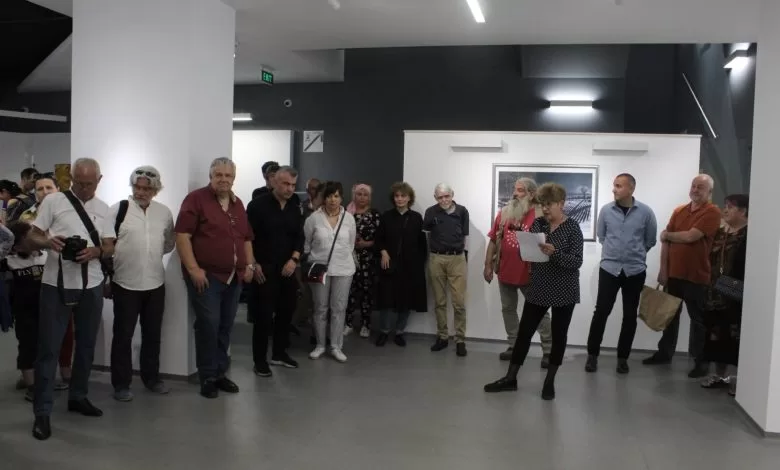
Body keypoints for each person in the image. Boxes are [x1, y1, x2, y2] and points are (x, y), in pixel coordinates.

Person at [24, 158, 115, 440]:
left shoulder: (105, 209)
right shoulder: (53, 202)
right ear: (71, 178)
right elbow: (32, 237)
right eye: (79, 183)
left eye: (89, 184)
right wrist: (48, 242)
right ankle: (42, 412)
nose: (84, 188)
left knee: (86, 345)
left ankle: (78, 396)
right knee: (49, 348)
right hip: (56, 284)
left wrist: (96, 252)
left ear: (99, 180)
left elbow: (110, 245)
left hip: (92, 284)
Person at [484, 183, 584, 400]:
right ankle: (510, 378)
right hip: (539, 285)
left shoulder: (573, 227)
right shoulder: (539, 223)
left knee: (559, 336)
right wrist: (525, 249)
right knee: (524, 333)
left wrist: (554, 253)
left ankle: (549, 382)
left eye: (549, 205)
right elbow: (529, 253)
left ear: (561, 204)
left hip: (564, 289)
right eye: (543, 205)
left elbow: (576, 262)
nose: (545, 209)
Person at [175, 157, 256, 399]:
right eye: (218, 175)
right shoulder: (196, 200)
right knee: (208, 326)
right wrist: (193, 269)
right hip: (207, 277)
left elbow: (246, 238)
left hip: (234, 277)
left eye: (228, 175)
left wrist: (250, 264)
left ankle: (220, 373)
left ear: (234, 178)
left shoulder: (238, 204)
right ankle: (208, 376)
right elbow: (182, 236)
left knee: (225, 326)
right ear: (210, 177)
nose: (223, 179)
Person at [107, 166, 175, 402]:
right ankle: (121, 384)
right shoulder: (118, 210)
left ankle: (152, 378)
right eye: (137, 187)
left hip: (155, 283)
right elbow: (107, 245)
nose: (141, 192)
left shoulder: (164, 213)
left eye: (147, 189)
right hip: (124, 283)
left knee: (153, 335)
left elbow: (169, 243)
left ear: (156, 190)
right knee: (122, 336)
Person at [643, 174, 722, 378]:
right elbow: (665, 243)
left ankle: (701, 361)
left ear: (709, 192)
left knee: (698, 321)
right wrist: (663, 269)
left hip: (697, 276)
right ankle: (664, 353)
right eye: (693, 186)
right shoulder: (679, 211)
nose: (695, 190)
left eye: (700, 187)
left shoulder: (712, 212)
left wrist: (668, 235)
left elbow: (690, 236)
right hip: (674, 275)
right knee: (670, 316)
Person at [585, 174, 657, 374]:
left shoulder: (646, 212)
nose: (614, 189)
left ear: (631, 189)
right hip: (609, 269)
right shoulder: (606, 211)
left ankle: (623, 358)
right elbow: (602, 236)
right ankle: (592, 355)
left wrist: (634, 254)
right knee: (601, 312)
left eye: (618, 186)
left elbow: (650, 240)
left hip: (635, 271)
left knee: (630, 316)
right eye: (614, 185)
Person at [485, 177, 552, 364]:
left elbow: (549, 243)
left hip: (531, 274)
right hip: (505, 270)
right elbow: (493, 239)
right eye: (515, 189)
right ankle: (514, 346)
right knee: (508, 309)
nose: (515, 194)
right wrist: (487, 264)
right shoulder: (505, 213)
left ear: (532, 194)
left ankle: (549, 350)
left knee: (539, 312)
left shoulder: (541, 214)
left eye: (520, 190)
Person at [246, 166, 304, 376]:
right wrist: (253, 263)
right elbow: (247, 238)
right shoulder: (257, 206)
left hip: (287, 269)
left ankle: (279, 354)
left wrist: (294, 259)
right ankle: (260, 361)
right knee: (263, 317)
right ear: (274, 182)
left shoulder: (294, 207)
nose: (290, 189)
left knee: (286, 312)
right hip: (264, 269)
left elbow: (299, 237)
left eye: (293, 185)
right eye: (286, 184)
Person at [18, 174, 74, 392]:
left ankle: (65, 371)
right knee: (31, 331)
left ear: (58, 189)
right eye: (40, 189)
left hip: (62, 276)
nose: (44, 192)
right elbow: (20, 247)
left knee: (65, 329)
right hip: (32, 279)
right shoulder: (26, 217)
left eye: (49, 187)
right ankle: (33, 377)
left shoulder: (67, 213)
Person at [700, 194, 748, 396]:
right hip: (715, 293)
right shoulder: (720, 232)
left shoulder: (749, 235)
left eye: (731, 207)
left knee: (736, 336)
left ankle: (738, 379)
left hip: (737, 294)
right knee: (716, 334)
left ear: (743, 211)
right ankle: (719, 375)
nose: (725, 210)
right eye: (725, 205)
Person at [304, 181, 356, 362]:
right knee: (320, 308)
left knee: (339, 308)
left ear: (341, 198)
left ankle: (336, 346)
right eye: (329, 196)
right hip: (319, 268)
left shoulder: (349, 218)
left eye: (336, 196)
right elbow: (307, 245)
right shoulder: (313, 219)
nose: (333, 200)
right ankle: (320, 345)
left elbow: (351, 244)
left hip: (343, 268)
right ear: (323, 198)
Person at [375, 182, 428, 347]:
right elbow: (379, 239)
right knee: (386, 300)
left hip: (410, 267)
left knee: (406, 301)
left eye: (403, 196)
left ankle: (399, 332)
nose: (400, 199)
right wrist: (383, 252)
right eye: (397, 196)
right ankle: (384, 331)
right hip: (389, 265)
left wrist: (420, 264)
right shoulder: (386, 216)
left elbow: (422, 244)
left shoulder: (417, 218)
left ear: (409, 198)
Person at [424, 183, 470, 357]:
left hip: (457, 258)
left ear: (452, 195)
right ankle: (442, 336)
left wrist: (462, 256)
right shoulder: (430, 212)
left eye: (447, 196)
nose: (444, 200)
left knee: (459, 302)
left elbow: (465, 236)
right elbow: (426, 234)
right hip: (436, 258)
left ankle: (460, 339)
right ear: (435, 197)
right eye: (440, 197)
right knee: (439, 301)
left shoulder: (462, 211)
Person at [6, 221, 45, 402]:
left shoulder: (45, 257)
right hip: (24, 312)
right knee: (28, 346)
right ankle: (31, 386)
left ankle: (32, 377)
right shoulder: (9, 261)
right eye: (30, 236)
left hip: (45, 310)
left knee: (43, 347)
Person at [345, 183, 381, 338]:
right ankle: (348, 323)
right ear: (354, 195)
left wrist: (367, 244)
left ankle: (366, 325)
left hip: (368, 260)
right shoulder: (346, 213)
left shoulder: (375, 214)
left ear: (370, 197)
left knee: (367, 294)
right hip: (348, 258)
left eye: (365, 194)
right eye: (359, 194)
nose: (362, 197)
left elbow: (381, 238)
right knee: (348, 293)